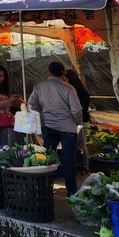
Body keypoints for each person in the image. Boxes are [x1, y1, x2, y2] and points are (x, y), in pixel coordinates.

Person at [28, 61, 83, 196]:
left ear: (49, 71)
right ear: (63, 74)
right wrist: (77, 123)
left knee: (46, 158)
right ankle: (71, 191)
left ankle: (44, 187)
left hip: (49, 126)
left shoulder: (39, 87)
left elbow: (31, 104)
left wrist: (41, 117)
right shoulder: (69, 88)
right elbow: (76, 110)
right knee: (68, 159)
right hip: (68, 128)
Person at [64, 68, 92, 172]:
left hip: (80, 121)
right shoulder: (79, 90)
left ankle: (85, 165)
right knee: (78, 144)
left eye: (65, 79)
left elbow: (79, 108)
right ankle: (81, 165)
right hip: (79, 120)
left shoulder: (76, 92)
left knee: (80, 144)